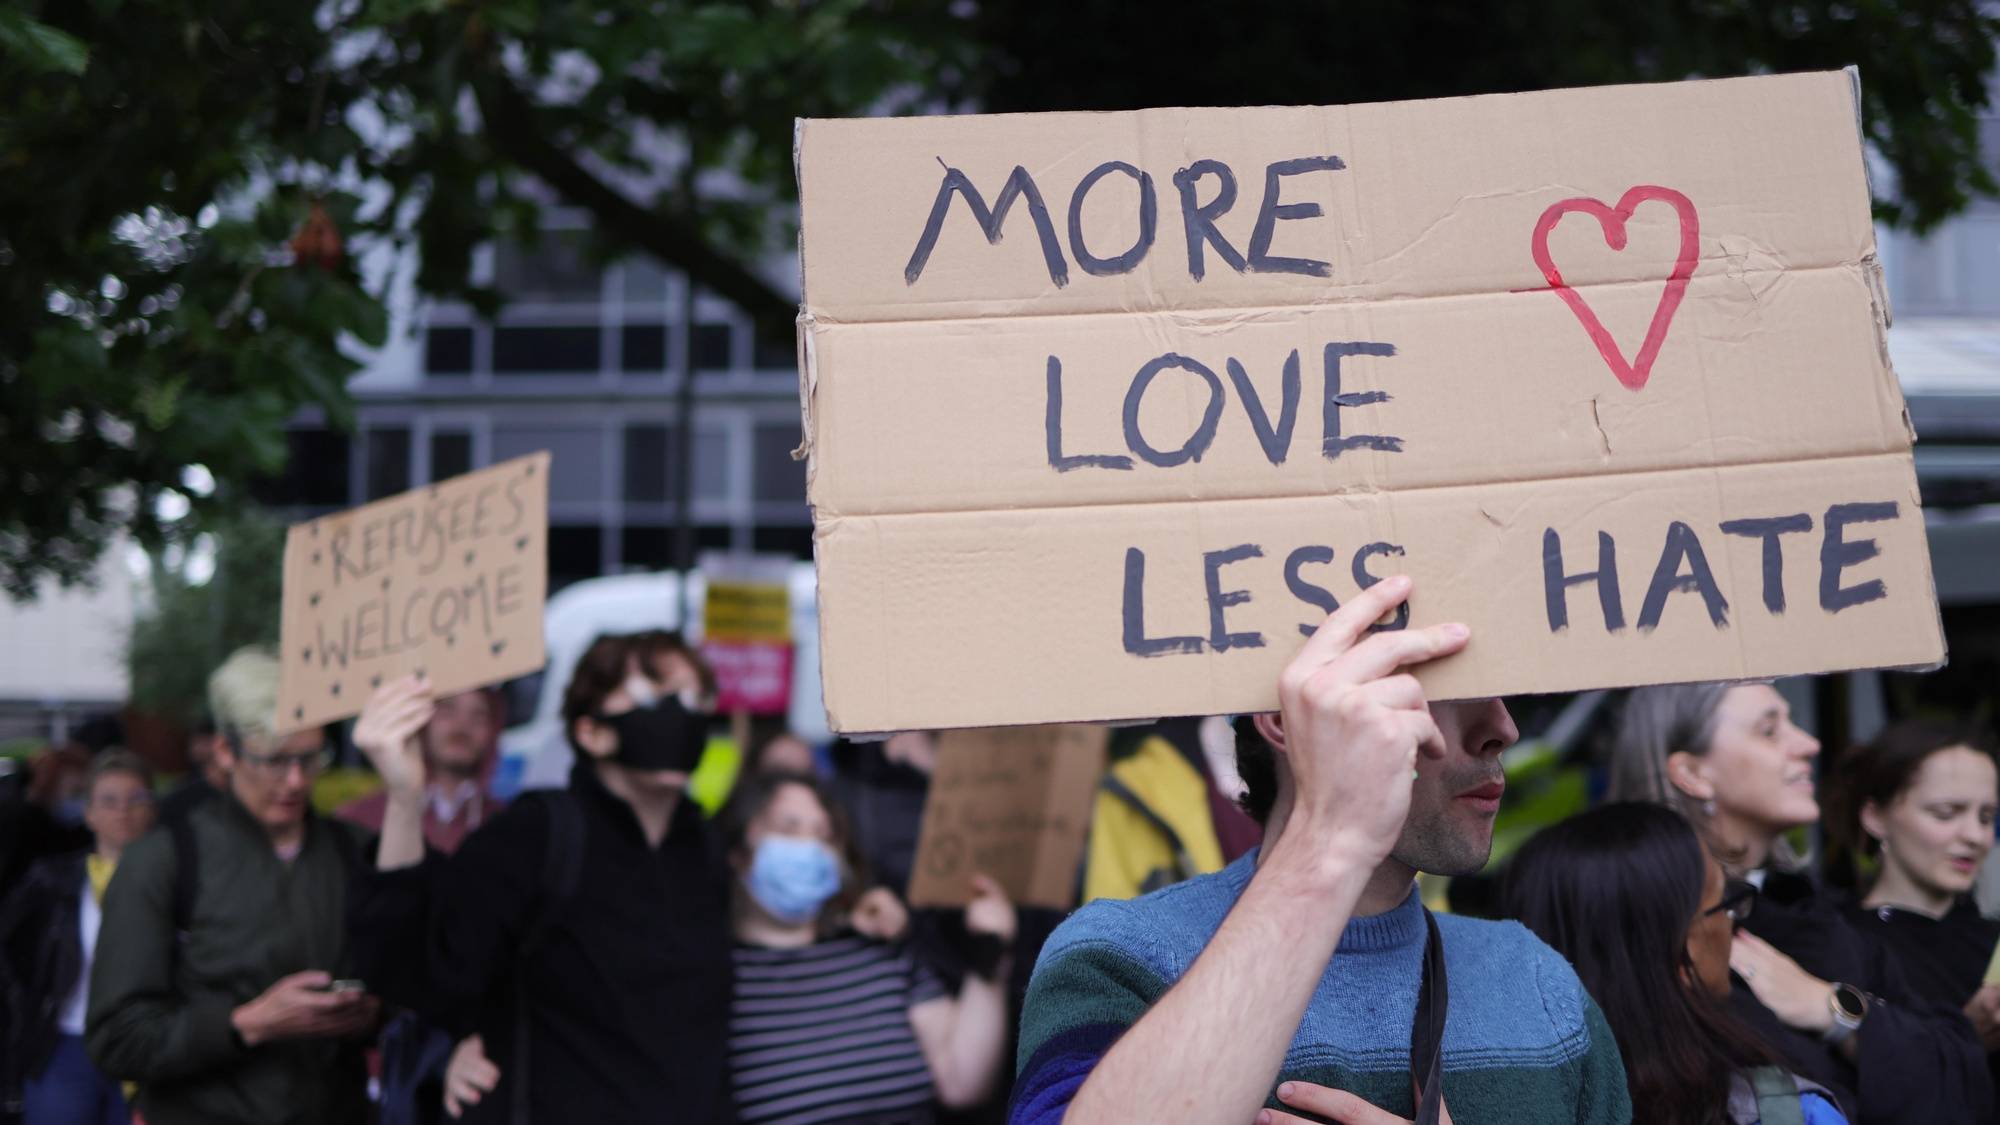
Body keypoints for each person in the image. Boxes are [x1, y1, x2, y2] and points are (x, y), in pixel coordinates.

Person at [1011, 577, 1629, 1125]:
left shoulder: (1539, 987)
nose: (1504, 727)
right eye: (1441, 679)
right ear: (1282, 720)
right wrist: (1329, 839)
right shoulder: (1122, 958)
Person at [348, 632, 735, 1124]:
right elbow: (416, 962)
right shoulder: (535, 836)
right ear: (591, 731)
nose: (681, 715)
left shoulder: (704, 849)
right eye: (655, 696)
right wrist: (405, 798)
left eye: (695, 698)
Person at [1608, 683, 1993, 1124]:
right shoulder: (1644, 930)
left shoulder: (1812, 910)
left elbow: (1959, 1069)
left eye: (1987, 816)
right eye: (1770, 730)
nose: (1809, 744)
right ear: (1693, 773)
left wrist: (1831, 1007)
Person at [85, 647, 380, 1125]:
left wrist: (368, 1016)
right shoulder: (165, 860)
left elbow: (415, 994)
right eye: (274, 760)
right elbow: (117, 1038)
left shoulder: (352, 851)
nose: (295, 781)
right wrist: (246, 1025)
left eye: (309, 758)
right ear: (226, 752)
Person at [1506, 802, 1846, 1124]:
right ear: (1683, 952)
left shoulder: (1472, 1105)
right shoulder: (1785, 1114)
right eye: (1725, 901)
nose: (1733, 922)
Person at [721, 769, 1014, 1123]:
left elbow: (962, 1082)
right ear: (737, 852)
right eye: (788, 829)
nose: (810, 847)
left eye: (824, 835)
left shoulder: (882, 951)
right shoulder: (718, 981)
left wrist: (990, 956)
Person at [1823, 719, 2000, 1060]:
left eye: (1987, 817)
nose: (1975, 836)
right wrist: (1966, 1033)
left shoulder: (1989, 937)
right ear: (1875, 817)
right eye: (1946, 813)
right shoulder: (1842, 944)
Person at [1, 750, 155, 1124]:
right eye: (109, 800)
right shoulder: (53, 881)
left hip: (147, 1048)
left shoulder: (177, 887)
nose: (123, 811)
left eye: (136, 799)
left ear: (153, 809)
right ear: (88, 812)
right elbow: (11, 951)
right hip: (67, 1042)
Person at [338, 687, 504, 853]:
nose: (461, 726)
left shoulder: (505, 827)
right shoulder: (360, 819)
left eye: (479, 716)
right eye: (447, 710)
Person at [156, 714, 225, 827]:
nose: (199, 747)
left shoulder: (241, 788)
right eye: (195, 741)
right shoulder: (179, 794)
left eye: (205, 740)